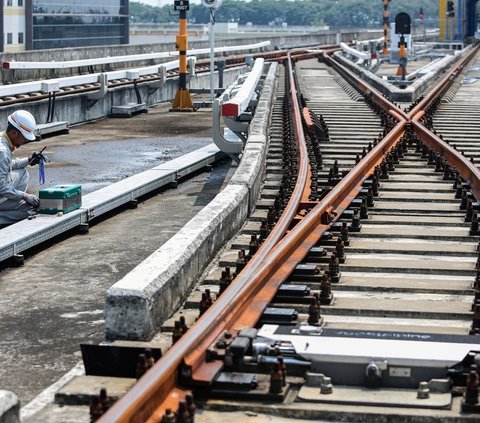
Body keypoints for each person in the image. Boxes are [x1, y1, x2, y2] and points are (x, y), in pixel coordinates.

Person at [0, 110, 41, 225]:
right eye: (24, 138)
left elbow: (6, 166)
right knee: (27, 210)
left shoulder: (2, 139)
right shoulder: (3, 152)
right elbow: (1, 187)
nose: (25, 141)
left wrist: (28, 161)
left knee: (22, 172)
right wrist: (24, 196)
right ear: (14, 133)